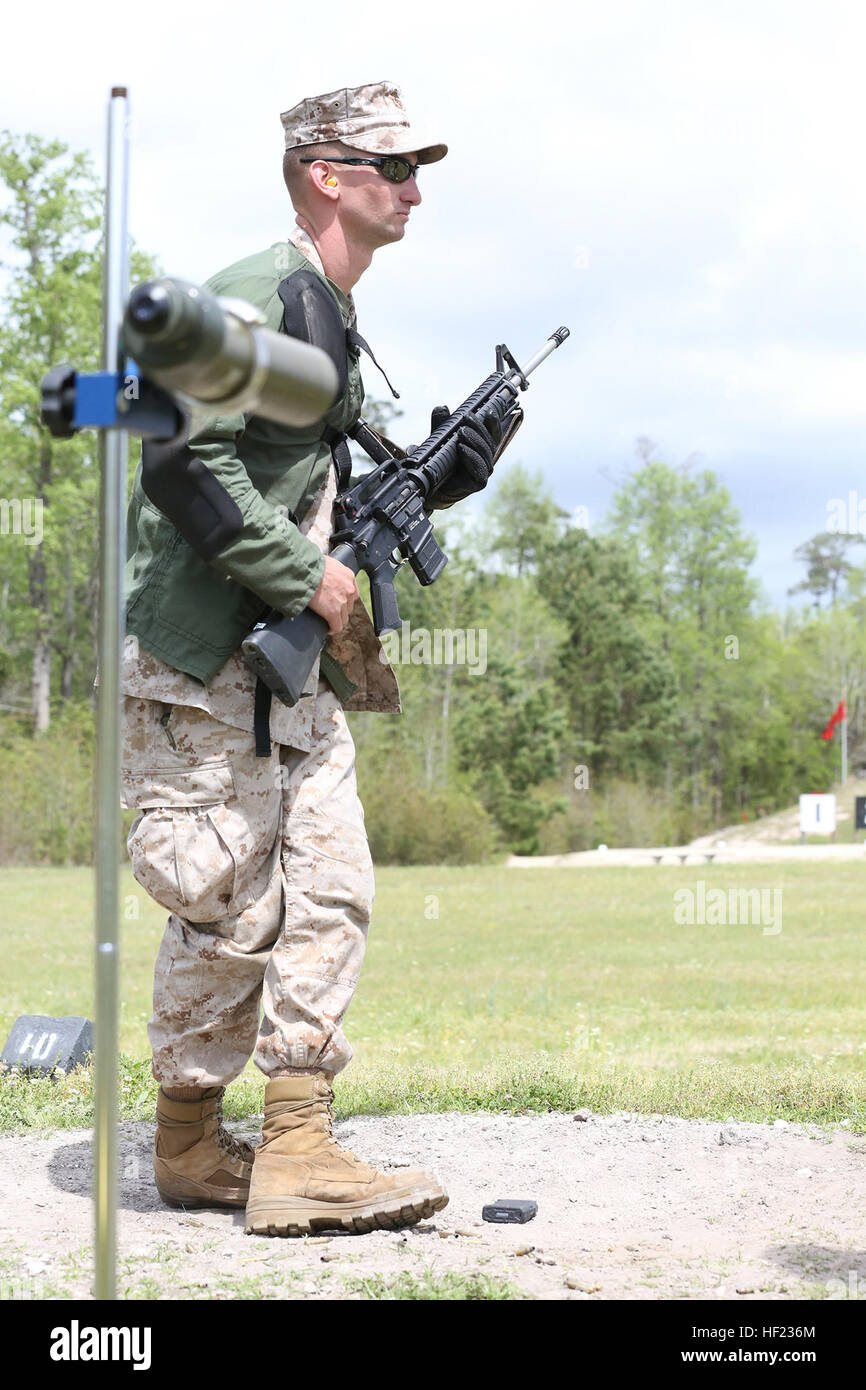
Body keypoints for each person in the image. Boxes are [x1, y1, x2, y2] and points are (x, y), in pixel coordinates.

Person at [121, 80, 502, 1237]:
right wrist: (306, 579)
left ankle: (295, 1144)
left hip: (291, 673)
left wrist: (439, 473)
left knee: (332, 887)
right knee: (226, 909)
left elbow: (311, 479)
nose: (413, 187)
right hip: (206, 664)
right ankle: (188, 1143)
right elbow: (178, 454)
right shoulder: (261, 291)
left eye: (417, 166)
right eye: (392, 166)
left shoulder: (326, 307)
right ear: (323, 174)